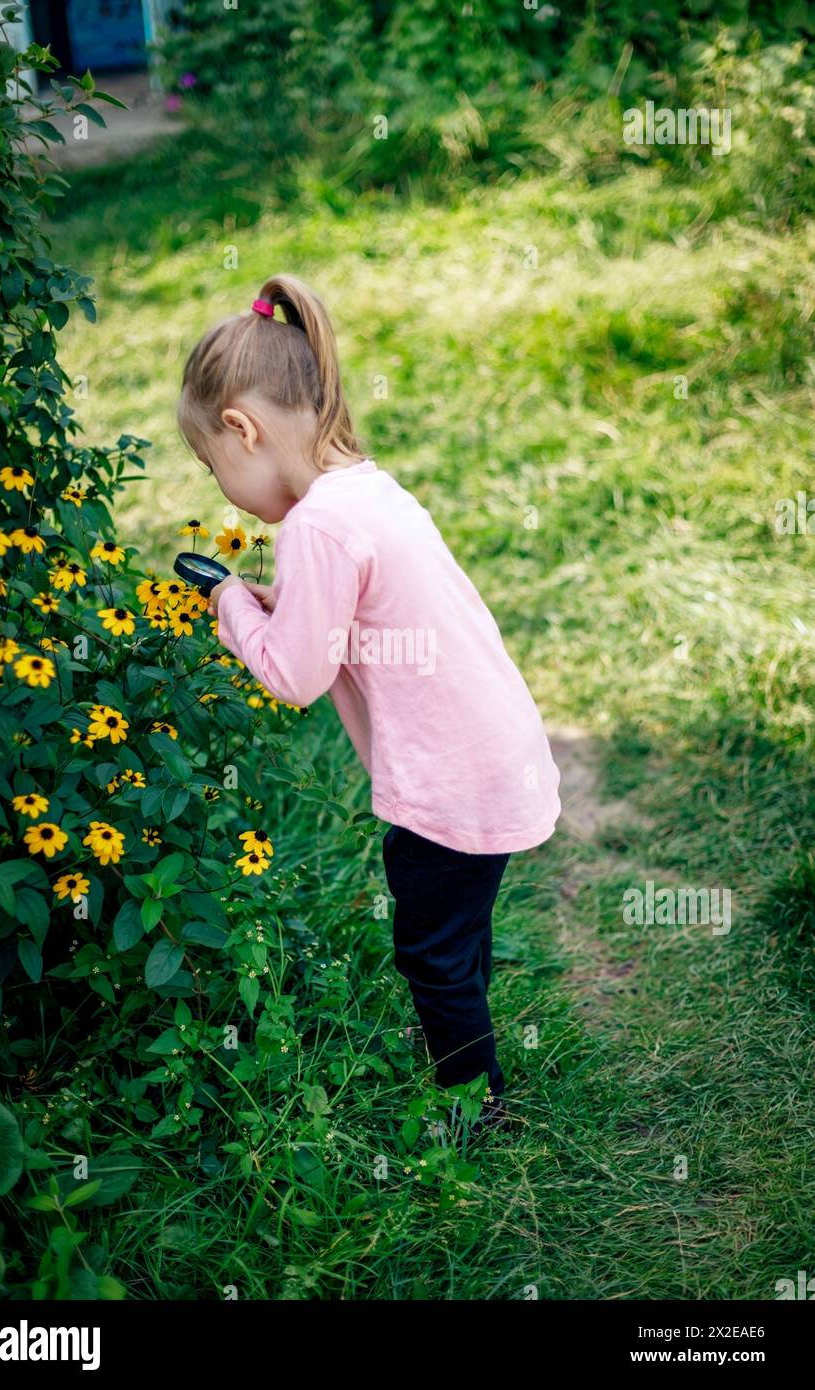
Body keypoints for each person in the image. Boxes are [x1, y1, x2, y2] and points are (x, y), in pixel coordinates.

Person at [177, 274, 562, 1135]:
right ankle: (473, 1060)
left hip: (450, 783)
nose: (220, 485)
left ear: (242, 428)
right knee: (451, 938)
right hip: (494, 753)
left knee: (428, 951)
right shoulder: (365, 492)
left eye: (213, 464)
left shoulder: (315, 525)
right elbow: (342, 619)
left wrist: (231, 604)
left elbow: (293, 676)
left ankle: (473, 1109)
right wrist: (281, 602)